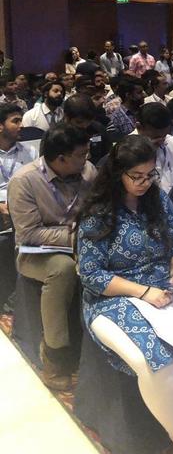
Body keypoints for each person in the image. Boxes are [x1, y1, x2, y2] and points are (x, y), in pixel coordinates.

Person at [75, 135, 173, 454]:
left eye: (150, 175)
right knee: (153, 358)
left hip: (162, 284)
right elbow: (91, 274)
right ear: (118, 174)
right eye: (137, 177)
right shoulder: (98, 212)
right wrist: (143, 292)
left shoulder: (157, 198)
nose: (145, 183)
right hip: (113, 296)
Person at [9, 124, 97, 389]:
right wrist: (75, 237)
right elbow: (29, 234)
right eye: (81, 155)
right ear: (60, 159)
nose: (86, 159)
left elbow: (98, 210)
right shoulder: (24, 181)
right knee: (62, 269)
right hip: (36, 254)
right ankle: (54, 355)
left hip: (84, 244)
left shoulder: (88, 172)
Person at [133, 102, 173, 192]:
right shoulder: (125, 151)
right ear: (139, 127)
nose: (161, 142)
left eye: (164, 136)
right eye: (156, 138)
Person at [0, 102, 36, 229]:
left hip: (25, 208)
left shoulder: (31, 152)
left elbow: (39, 184)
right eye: (16, 121)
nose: (22, 125)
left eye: (21, 120)